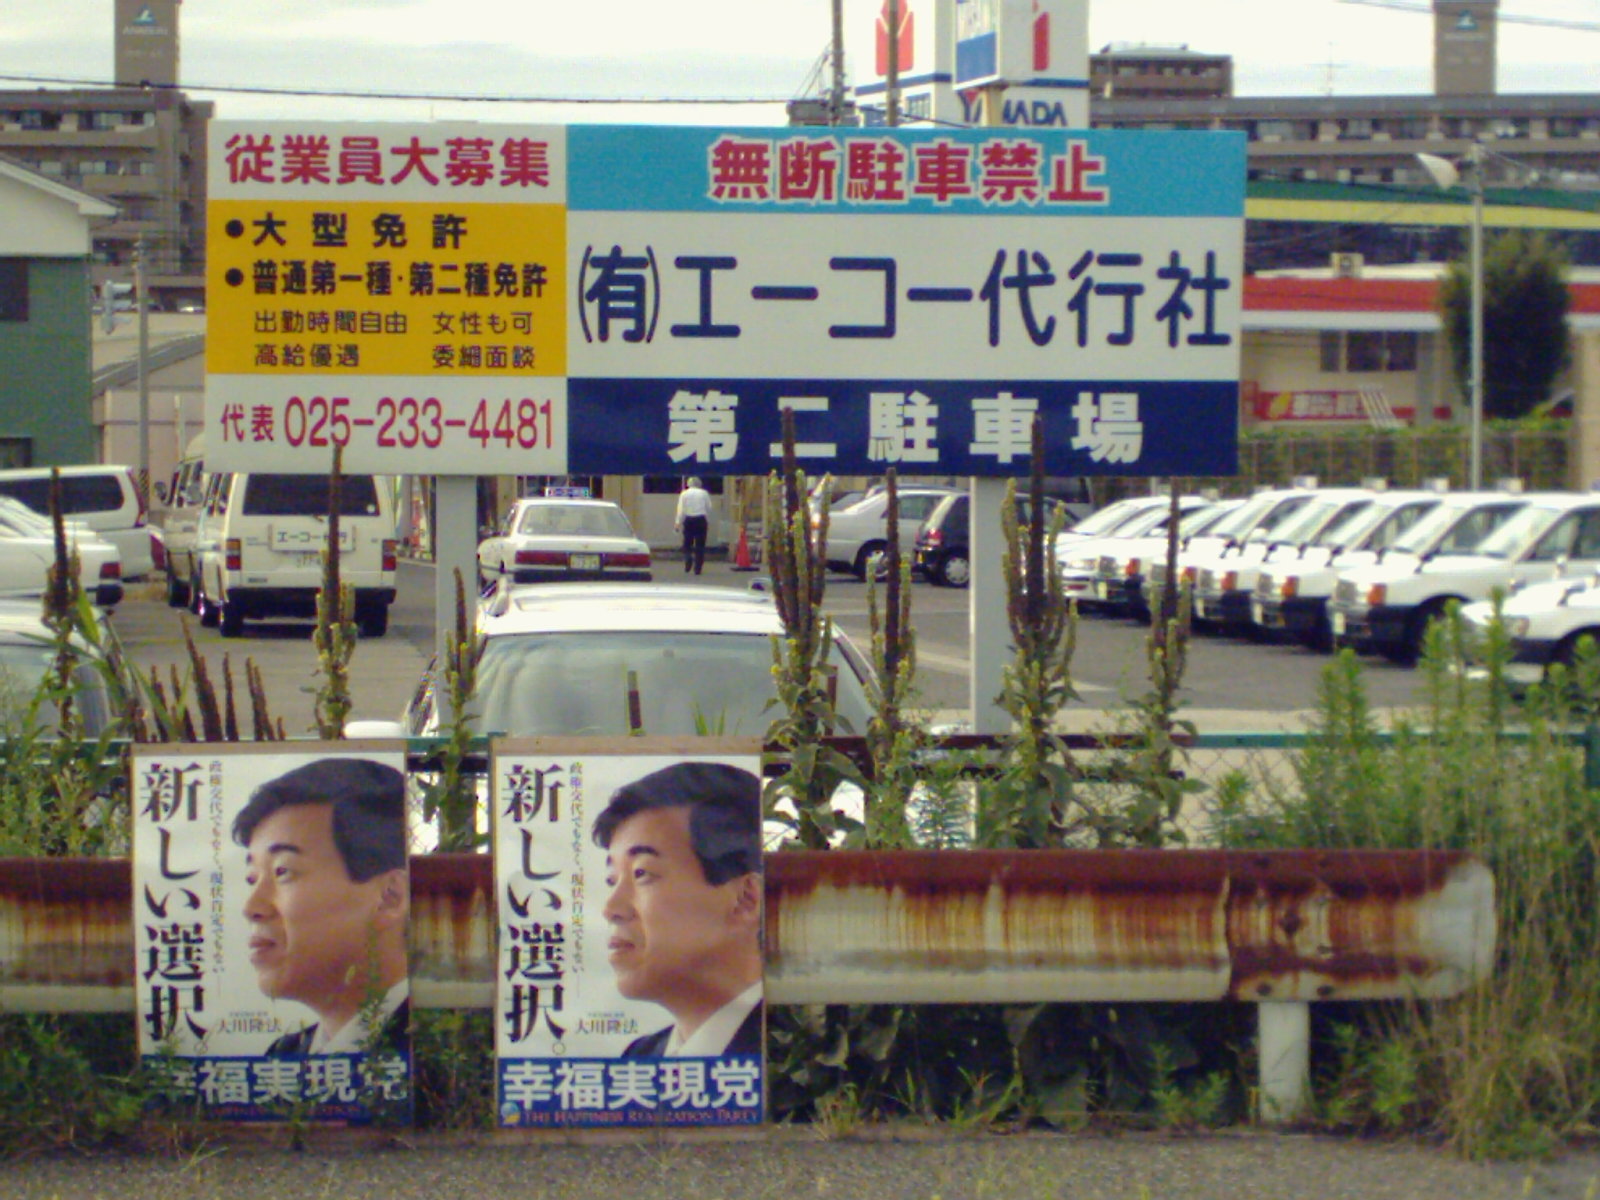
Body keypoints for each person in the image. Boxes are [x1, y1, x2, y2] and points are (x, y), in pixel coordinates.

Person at [232, 757, 410, 1057]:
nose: (252, 908)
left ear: (390, 897)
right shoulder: (282, 1057)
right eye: (253, 878)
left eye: (282, 871)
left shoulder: (443, 1052)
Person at [592, 762, 763, 1058]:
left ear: (745, 899)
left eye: (642, 873)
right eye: (612, 880)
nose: (611, 909)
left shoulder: (797, 1054)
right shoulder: (638, 1058)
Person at [674, 476, 711, 575]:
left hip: (689, 519)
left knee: (687, 543)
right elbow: (709, 507)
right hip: (700, 519)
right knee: (700, 545)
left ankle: (688, 558)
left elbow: (681, 509)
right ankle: (698, 568)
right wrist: (707, 520)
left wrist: (678, 523)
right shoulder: (704, 493)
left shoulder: (684, 494)